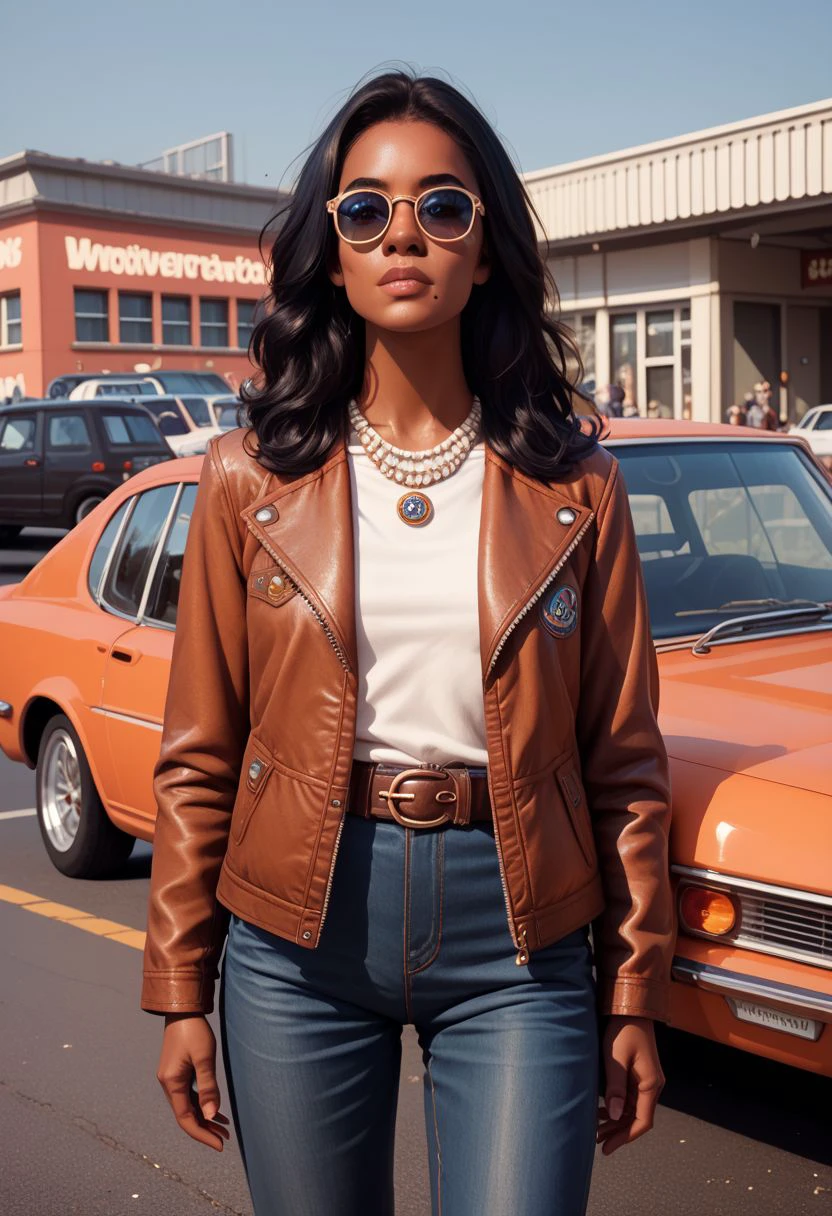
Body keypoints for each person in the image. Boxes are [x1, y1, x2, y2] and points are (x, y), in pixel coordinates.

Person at [141, 69, 673, 1216]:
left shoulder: (577, 487)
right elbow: (198, 751)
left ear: (485, 248)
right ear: (329, 250)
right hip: (295, 936)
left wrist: (634, 994)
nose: (403, 235)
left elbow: (625, 763)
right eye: (365, 209)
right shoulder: (246, 481)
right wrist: (181, 985)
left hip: (521, 941)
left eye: (442, 207)